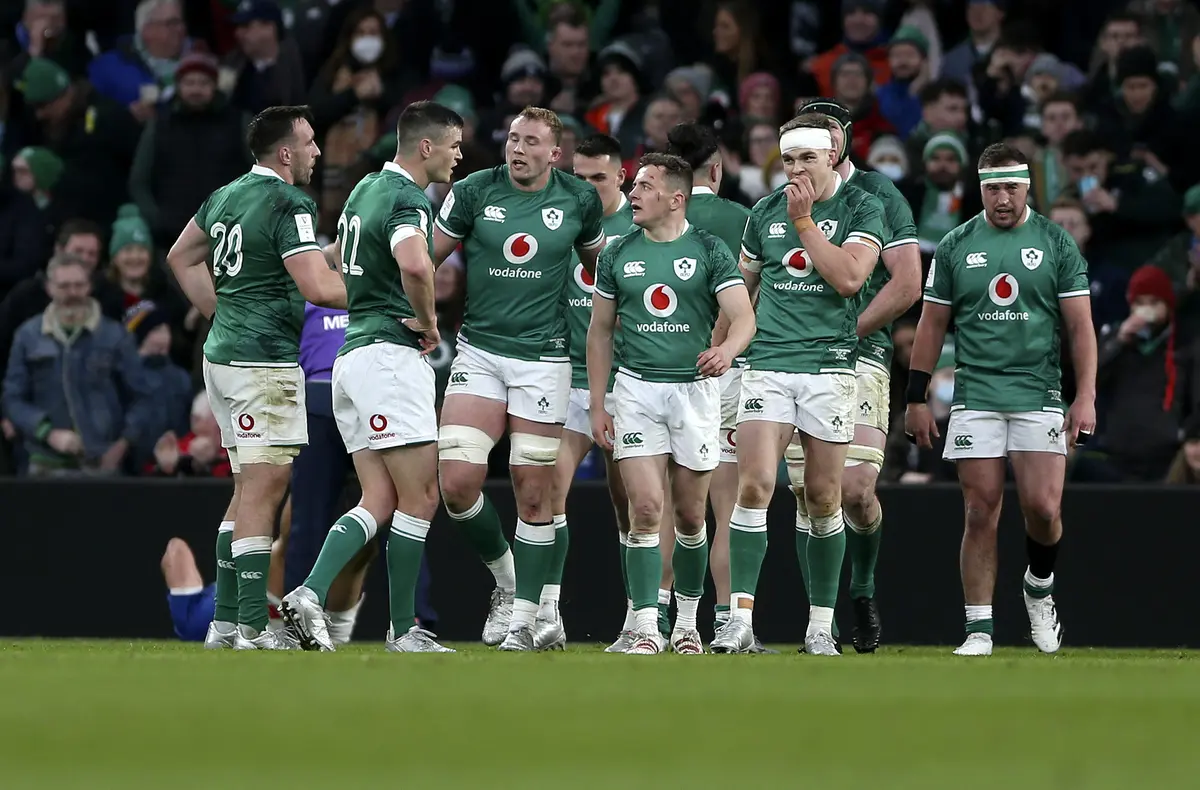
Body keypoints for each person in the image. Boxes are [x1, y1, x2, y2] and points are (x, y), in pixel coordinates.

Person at [282, 101, 463, 653]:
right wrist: (429, 321)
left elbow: (338, 259)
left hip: (351, 360)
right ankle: (405, 629)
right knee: (423, 496)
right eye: (453, 145)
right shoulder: (408, 197)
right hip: (388, 356)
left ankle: (309, 593)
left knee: (379, 498)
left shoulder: (362, 190)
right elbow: (415, 263)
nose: (459, 156)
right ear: (425, 147)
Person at [166, 105, 347, 651]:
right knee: (265, 487)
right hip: (261, 361)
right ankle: (250, 627)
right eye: (311, 143)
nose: (318, 152)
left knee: (248, 487)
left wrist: (221, 311)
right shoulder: (289, 201)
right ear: (286, 153)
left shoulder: (227, 195)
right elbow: (318, 288)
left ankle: (224, 623)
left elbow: (180, 256)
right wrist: (386, 294)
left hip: (223, 357)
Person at [905, 142, 1097, 657]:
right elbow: (931, 324)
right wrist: (916, 395)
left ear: (1028, 186)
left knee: (1043, 507)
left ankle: (1038, 586)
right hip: (977, 393)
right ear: (981, 188)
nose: (1003, 198)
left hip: (1039, 390)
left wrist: (1086, 397)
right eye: (992, 188)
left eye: (1011, 187)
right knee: (980, 509)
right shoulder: (955, 244)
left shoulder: (1056, 243)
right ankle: (979, 629)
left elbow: (1080, 328)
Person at [431, 106, 606, 651]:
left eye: (531, 141)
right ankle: (510, 581)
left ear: (554, 153)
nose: (518, 148)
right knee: (457, 483)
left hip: (544, 362)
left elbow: (604, 274)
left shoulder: (579, 200)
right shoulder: (474, 191)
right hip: (480, 352)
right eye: (512, 138)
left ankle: (529, 618)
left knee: (535, 494)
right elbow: (428, 258)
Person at [718, 114, 885, 657]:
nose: (795, 169)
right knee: (755, 485)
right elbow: (739, 295)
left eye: (806, 159)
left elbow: (849, 279)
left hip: (832, 368)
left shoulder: (862, 208)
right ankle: (739, 620)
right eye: (788, 160)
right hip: (767, 364)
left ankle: (819, 626)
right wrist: (721, 356)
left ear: (831, 157)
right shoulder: (763, 213)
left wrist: (807, 223)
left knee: (822, 496)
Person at [770, 99, 922, 655]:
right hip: (790, 356)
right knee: (807, 493)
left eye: (827, 133)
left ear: (842, 142)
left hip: (858, 350)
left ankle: (861, 587)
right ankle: (822, 622)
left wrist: (847, 329)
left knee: (854, 490)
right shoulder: (776, 199)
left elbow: (906, 284)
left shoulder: (877, 196)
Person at [588, 152, 755, 655]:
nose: (633, 194)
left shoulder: (708, 250)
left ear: (676, 198)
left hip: (695, 393)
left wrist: (725, 350)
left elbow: (744, 318)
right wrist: (600, 404)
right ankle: (642, 625)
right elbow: (599, 333)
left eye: (645, 186)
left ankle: (685, 624)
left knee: (689, 517)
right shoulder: (617, 252)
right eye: (635, 185)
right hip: (637, 389)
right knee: (644, 507)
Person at [663, 121, 758, 646]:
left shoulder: (651, 218)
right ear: (716, 169)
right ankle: (725, 623)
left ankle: (652, 620)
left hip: (656, 373)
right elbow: (753, 303)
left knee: (658, 507)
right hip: (724, 371)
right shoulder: (744, 221)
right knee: (724, 506)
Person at [543, 133, 634, 652]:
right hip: (565, 378)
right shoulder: (557, 221)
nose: (586, 187)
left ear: (620, 177)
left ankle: (641, 618)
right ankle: (547, 612)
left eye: (598, 178)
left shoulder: (636, 226)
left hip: (626, 385)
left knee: (633, 505)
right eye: (578, 177)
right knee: (548, 490)